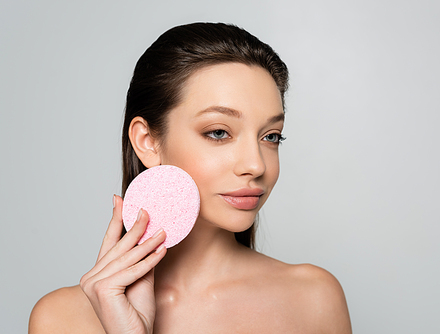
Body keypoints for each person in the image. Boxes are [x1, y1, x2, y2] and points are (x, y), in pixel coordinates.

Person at [28, 22, 351, 333]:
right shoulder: (61, 319)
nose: (256, 165)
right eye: (219, 132)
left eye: (271, 136)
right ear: (147, 142)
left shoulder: (314, 299)